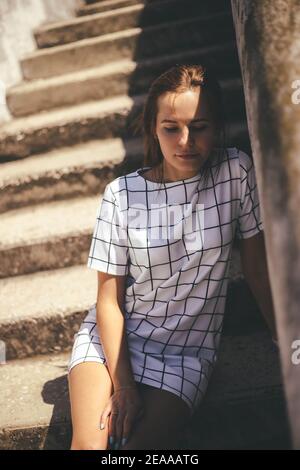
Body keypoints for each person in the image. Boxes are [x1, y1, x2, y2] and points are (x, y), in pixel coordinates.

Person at [67, 64, 277, 450]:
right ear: (153, 128)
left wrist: (285, 339)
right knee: (88, 448)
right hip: (112, 341)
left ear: (216, 126)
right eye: (171, 128)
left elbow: (258, 268)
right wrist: (124, 385)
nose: (186, 141)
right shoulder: (121, 194)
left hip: (187, 353)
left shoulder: (236, 172)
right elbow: (109, 301)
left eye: (199, 126)